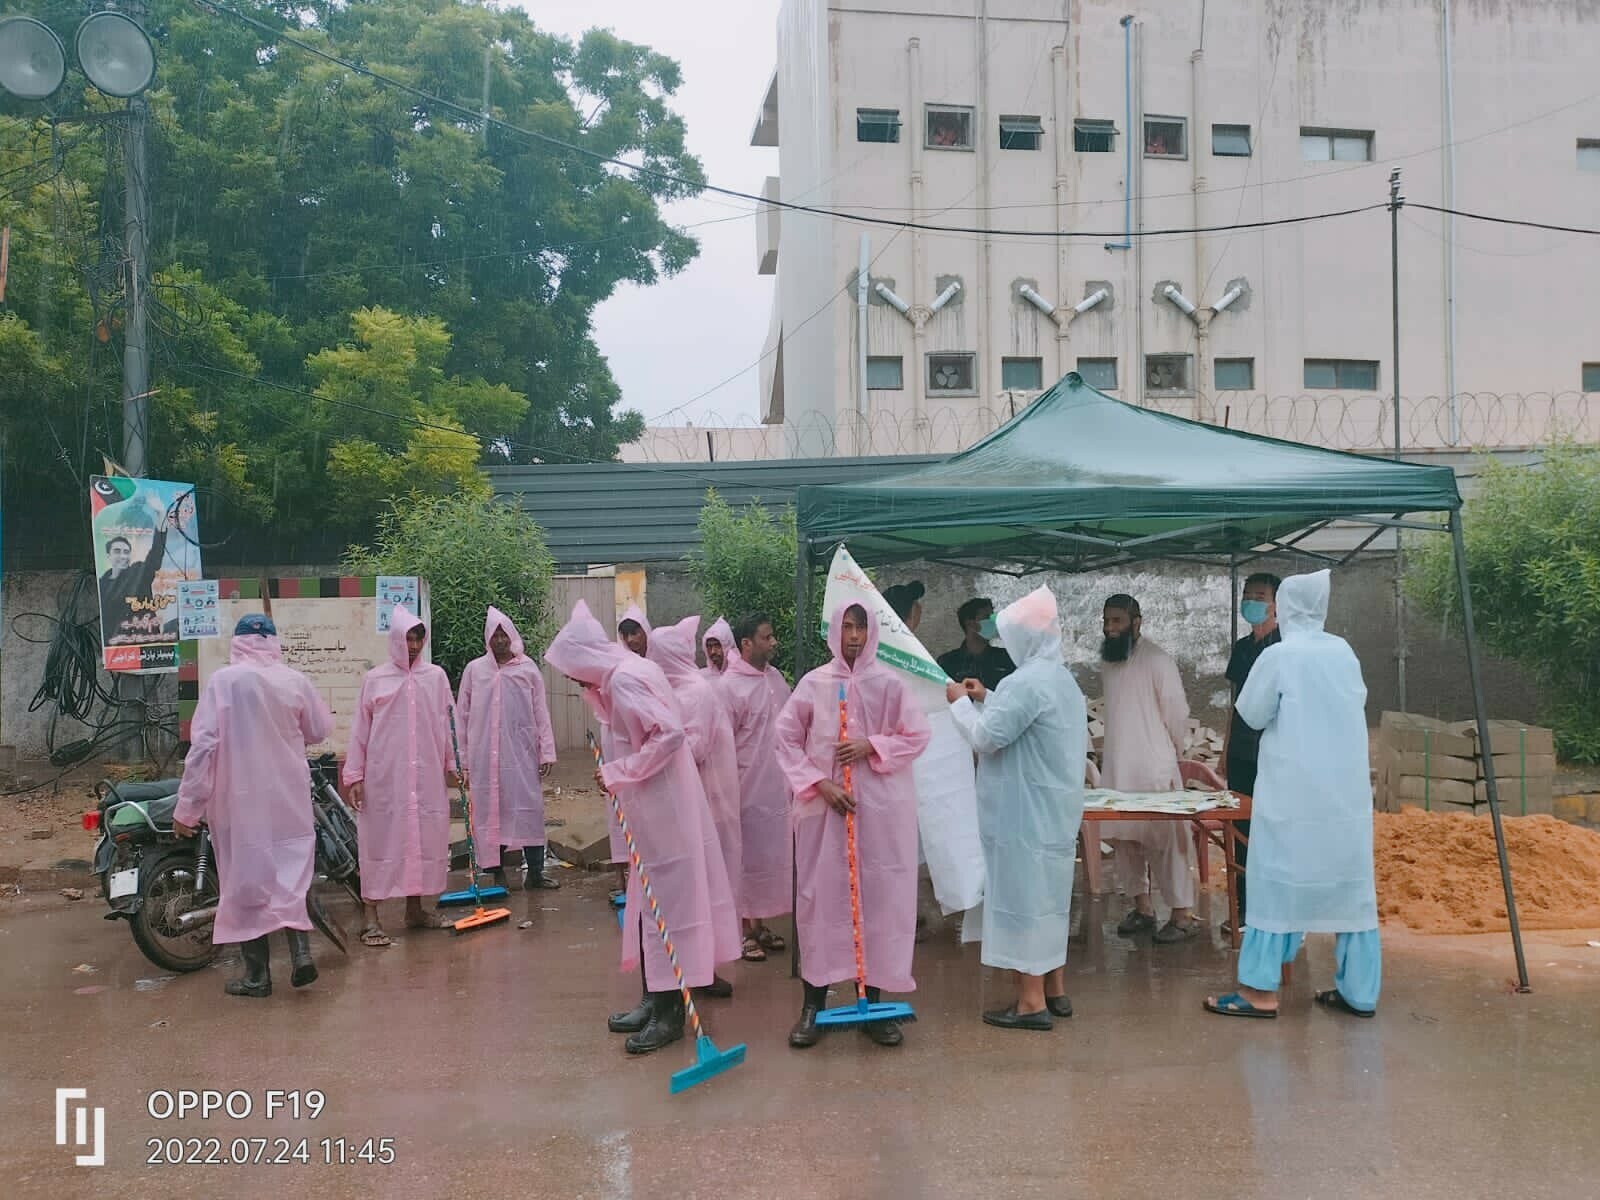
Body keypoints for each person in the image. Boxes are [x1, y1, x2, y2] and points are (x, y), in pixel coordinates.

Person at [545, 599, 740, 1053]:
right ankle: (654, 998)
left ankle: (670, 1013)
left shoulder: (628, 678)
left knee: (665, 908)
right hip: (654, 803)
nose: (573, 680)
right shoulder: (624, 672)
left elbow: (668, 734)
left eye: (572, 670)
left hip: (664, 805)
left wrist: (620, 771)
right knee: (649, 905)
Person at [1205, 570, 1381, 1019]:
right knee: (1350, 891)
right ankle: (1359, 992)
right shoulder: (1344, 653)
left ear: (1284, 607)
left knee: (1276, 885)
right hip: (1343, 798)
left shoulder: (1279, 656)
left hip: (1292, 795)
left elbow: (1252, 713)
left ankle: (1260, 992)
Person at [776, 602, 931, 1049]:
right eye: (847, 626)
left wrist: (871, 745)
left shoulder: (888, 683)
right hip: (824, 815)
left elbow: (917, 736)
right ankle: (813, 1005)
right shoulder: (813, 684)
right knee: (821, 905)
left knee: (876, 905)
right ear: (834, 632)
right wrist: (819, 783)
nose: (855, 636)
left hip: (878, 817)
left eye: (862, 627)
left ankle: (874, 1005)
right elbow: (784, 739)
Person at [945, 587, 1086, 1030]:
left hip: (1024, 814)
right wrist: (987, 695)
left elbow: (987, 737)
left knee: (1025, 903)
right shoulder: (1060, 679)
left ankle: (1030, 1003)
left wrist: (961, 705)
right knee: (1049, 901)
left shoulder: (1026, 682)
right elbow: (1022, 719)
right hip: (1053, 812)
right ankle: (1055, 990)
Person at [173, 614, 334, 997]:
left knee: (246, 881)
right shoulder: (295, 680)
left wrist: (187, 808)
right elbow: (319, 730)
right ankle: (301, 956)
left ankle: (257, 977)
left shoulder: (223, 682)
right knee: (291, 875)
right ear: (274, 643)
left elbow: (204, 747)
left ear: (238, 642)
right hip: (288, 797)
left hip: (240, 801)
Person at [343, 605, 457, 947]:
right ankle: (371, 917)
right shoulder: (375, 679)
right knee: (379, 842)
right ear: (395, 639)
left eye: (418, 638)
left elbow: (448, 725)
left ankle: (416, 910)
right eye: (407, 638)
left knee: (421, 840)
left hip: (425, 779)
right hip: (384, 779)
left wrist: (455, 765)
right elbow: (360, 731)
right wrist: (355, 775)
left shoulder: (435, 677)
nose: (413, 645)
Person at [1097, 594, 1199, 944]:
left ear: (1136, 622)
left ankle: (1182, 914)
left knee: (1165, 841)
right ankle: (1142, 908)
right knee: (1126, 842)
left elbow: (1177, 714)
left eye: (1118, 621)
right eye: (1107, 621)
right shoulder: (1109, 662)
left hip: (1154, 767)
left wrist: (1174, 753)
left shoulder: (1158, 661)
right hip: (1118, 766)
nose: (1110, 628)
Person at [648, 614, 742, 997]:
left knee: (706, 889)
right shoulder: (676, 688)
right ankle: (692, 967)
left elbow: (694, 747)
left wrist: (650, 752)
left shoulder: (694, 692)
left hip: (707, 803)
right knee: (690, 891)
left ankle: (705, 968)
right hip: (685, 805)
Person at [457, 606, 560, 892]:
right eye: (495, 635)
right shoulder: (475, 670)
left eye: (505, 635)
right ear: (488, 638)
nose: (500, 641)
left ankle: (536, 873)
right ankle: (496, 873)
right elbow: (461, 716)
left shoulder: (527, 669)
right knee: (492, 810)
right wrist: (463, 760)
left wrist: (546, 751)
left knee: (529, 809)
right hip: (483, 757)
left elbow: (541, 711)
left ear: (512, 636)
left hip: (522, 755)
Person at [722, 612, 794, 962]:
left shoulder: (776, 678)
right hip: (744, 790)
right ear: (747, 643)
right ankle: (742, 930)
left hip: (777, 789)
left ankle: (760, 924)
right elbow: (721, 746)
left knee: (768, 860)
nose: (774, 642)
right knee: (743, 862)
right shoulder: (728, 687)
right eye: (767, 637)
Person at [1223, 573, 1282, 930]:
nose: (1251, 601)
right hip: (1242, 752)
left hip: (1274, 753)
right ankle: (1244, 907)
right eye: (1247, 595)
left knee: (1271, 828)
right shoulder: (1243, 648)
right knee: (1241, 829)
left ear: (1277, 604)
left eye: (1259, 595)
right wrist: (1226, 747)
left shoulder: (1284, 646)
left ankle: (1272, 906)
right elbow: (1235, 703)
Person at [98, 509, 176, 644]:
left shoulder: (138, 571)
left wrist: (161, 516)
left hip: (148, 642)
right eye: (117, 551)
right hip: (118, 648)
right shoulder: (102, 584)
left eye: (126, 552)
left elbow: (156, 554)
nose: (122, 556)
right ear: (108, 555)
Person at [936, 597, 1016, 692]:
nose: (993, 622)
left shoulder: (1006, 658)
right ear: (970, 624)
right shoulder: (947, 663)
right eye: (987, 617)